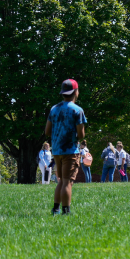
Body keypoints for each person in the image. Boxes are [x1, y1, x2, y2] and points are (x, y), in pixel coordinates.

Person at [44, 79, 87, 215]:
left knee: (61, 181)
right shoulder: (78, 110)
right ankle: (65, 212)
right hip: (70, 150)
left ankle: (55, 209)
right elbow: (81, 135)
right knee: (67, 182)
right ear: (75, 92)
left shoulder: (54, 109)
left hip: (56, 150)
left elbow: (47, 132)